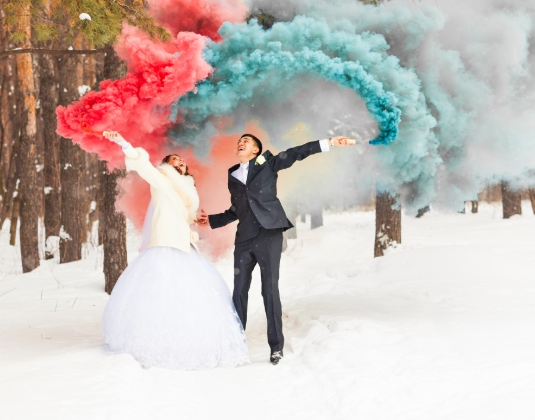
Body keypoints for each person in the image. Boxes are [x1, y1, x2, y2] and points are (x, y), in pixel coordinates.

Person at [197, 134, 355, 365]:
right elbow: (237, 209)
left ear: (256, 150)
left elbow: (297, 152)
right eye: (239, 142)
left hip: (268, 232)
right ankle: (236, 345)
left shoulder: (268, 163)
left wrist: (329, 142)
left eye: (246, 141)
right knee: (239, 291)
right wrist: (211, 220)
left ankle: (276, 347)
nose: (240, 143)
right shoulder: (232, 174)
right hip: (244, 238)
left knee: (269, 289)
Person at [101, 131, 250, 370]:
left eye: (182, 160)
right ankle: (156, 342)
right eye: (173, 160)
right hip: (165, 242)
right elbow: (143, 165)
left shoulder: (188, 188)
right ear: (166, 166)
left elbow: (186, 214)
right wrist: (124, 142)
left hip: (184, 243)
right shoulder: (161, 179)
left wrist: (197, 217)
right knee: (160, 289)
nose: (180, 161)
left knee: (190, 293)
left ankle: (192, 340)